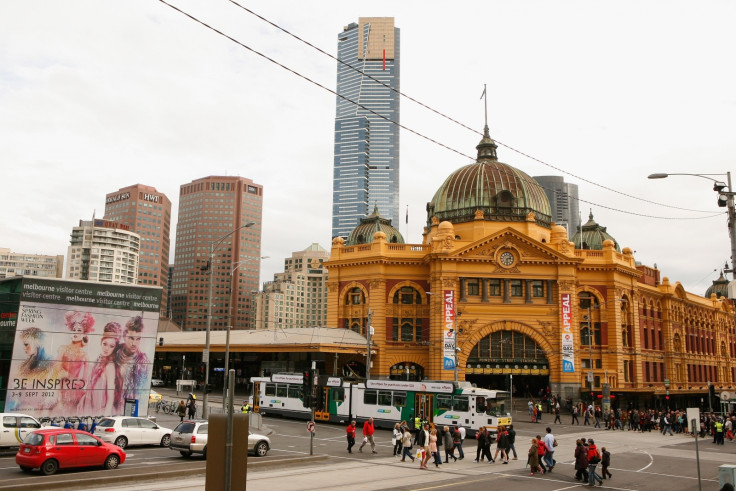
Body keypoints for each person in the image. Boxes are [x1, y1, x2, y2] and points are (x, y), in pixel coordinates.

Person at [77, 322, 122, 416]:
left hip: (100, 412)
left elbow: (110, 398)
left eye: (111, 346)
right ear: (101, 342)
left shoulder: (110, 366)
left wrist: (105, 418)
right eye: (105, 344)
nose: (106, 348)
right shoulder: (97, 361)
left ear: (115, 348)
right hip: (89, 407)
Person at [58, 310, 94, 411]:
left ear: (84, 334)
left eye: (79, 330)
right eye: (74, 329)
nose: (76, 332)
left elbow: (85, 381)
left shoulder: (85, 356)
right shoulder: (63, 349)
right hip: (62, 390)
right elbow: (56, 369)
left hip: (77, 394)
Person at [115, 316, 150, 409]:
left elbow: (140, 393)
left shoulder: (143, 362)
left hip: (128, 407)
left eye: (138, 339)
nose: (134, 343)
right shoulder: (114, 352)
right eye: (131, 338)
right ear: (124, 336)